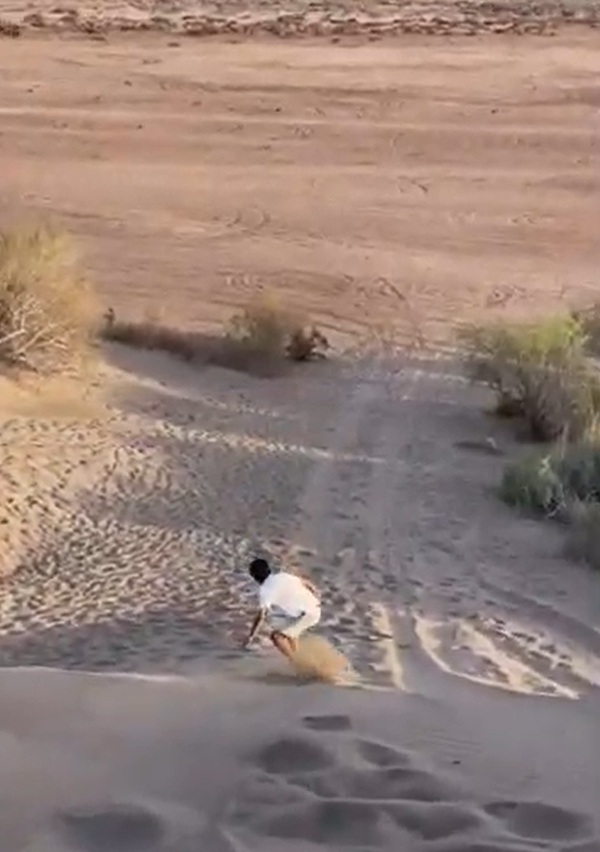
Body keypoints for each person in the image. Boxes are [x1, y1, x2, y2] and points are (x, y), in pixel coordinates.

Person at [242, 558, 321, 660]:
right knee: (290, 631)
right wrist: (317, 599)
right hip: (313, 609)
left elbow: (261, 616)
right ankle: (300, 657)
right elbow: (308, 585)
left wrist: (251, 637)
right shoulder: (283, 576)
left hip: (307, 615)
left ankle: (298, 664)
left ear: (254, 577)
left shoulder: (265, 590)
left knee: (277, 637)